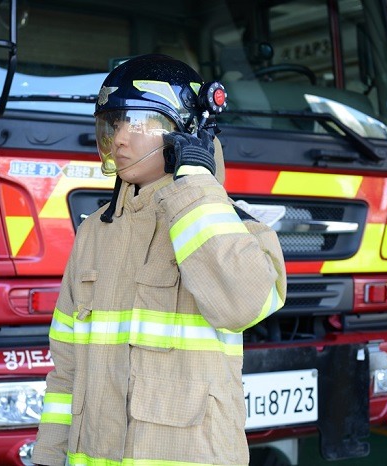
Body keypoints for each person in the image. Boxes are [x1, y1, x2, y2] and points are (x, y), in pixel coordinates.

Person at [31, 54, 286, 466]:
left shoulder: (231, 226)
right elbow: (65, 369)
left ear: (185, 131)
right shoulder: (94, 232)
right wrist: (47, 457)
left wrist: (195, 184)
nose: (120, 139)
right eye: (114, 124)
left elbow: (243, 306)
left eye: (138, 124)